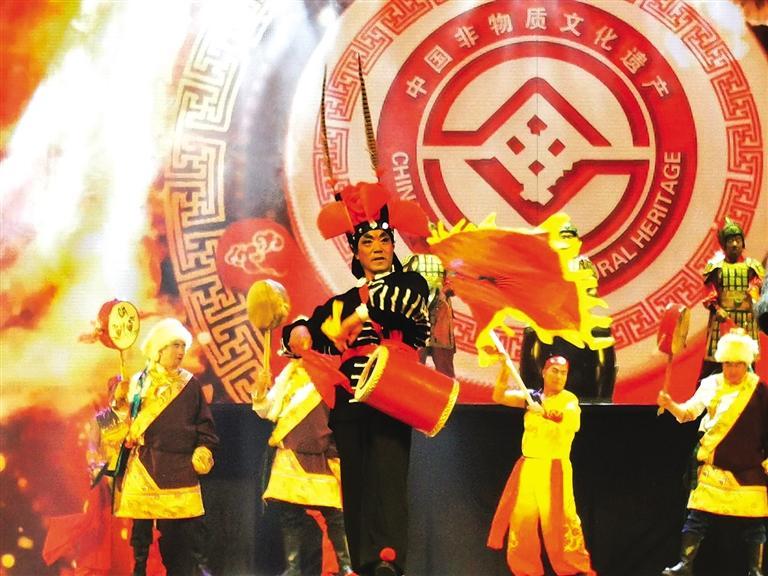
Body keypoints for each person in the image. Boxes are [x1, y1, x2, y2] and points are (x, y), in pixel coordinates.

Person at [282, 211, 430, 576]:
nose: (377, 247)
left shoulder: (410, 284)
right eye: (367, 242)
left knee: (388, 477)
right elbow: (311, 330)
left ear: (393, 248)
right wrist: (298, 333)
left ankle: (389, 560)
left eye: (384, 241)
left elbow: (398, 304)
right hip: (351, 398)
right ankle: (364, 563)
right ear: (356, 252)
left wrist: (355, 318)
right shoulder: (342, 301)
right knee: (357, 482)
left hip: (393, 392)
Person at [112, 318, 219, 576]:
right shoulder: (137, 383)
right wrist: (118, 403)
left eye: (183, 346)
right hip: (145, 465)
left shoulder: (190, 385)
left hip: (180, 468)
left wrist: (203, 450)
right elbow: (116, 428)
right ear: (159, 350)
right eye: (175, 345)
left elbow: (206, 427)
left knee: (181, 540)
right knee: (140, 537)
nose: (181, 351)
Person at [657, 329, 767, 576]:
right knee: (696, 518)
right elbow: (688, 413)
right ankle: (685, 565)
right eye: (728, 364)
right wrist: (670, 404)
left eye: (738, 364)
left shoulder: (758, 389)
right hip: (714, 465)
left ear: (746, 364)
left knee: (755, 524)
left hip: (749, 467)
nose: (732, 370)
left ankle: (756, 571)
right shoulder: (711, 384)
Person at [488, 355, 595, 576]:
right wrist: (505, 369)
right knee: (522, 521)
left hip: (554, 467)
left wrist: (544, 412)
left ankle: (576, 570)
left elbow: (572, 422)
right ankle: (525, 571)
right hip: (529, 466)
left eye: (563, 373)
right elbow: (499, 396)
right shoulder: (531, 397)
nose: (559, 376)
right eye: (554, 371)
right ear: (544, 372)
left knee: (563, 521)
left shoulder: (569, 400)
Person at [252, 359, 354, 576]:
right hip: (290, 452)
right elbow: (266, 410)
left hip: (321, 452)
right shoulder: (289, 375)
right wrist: (261, 389)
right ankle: (293, 568)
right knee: (290, 515)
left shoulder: (329, 375)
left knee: (334, 514)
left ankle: (346, 566)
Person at [520, 222, 615, 401]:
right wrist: (532, 399)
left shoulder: (583, 264)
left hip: (580, 323)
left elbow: (607, 368)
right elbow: (528, 364)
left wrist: (603, 402)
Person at [701, 218, 764, 378]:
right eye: (730, 241)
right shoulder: (716, 267)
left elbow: (759, 288)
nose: (735, 244)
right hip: (722, 321)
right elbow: (709, 293)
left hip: (746, 321)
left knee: (747, 365)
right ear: (724, 245)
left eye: (737, 240)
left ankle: (749, 393)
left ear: (743, 243)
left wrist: (755, 292)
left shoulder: (753, 267)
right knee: (714, 366)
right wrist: (716, 309)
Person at [402, 252, 455, 377]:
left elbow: (455, 282)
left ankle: (447, 390)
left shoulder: (447, 260)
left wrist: (444, 291)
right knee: (414, 364)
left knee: (444, 368)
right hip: (417, 317)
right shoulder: (412, 260)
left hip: (441, 317)